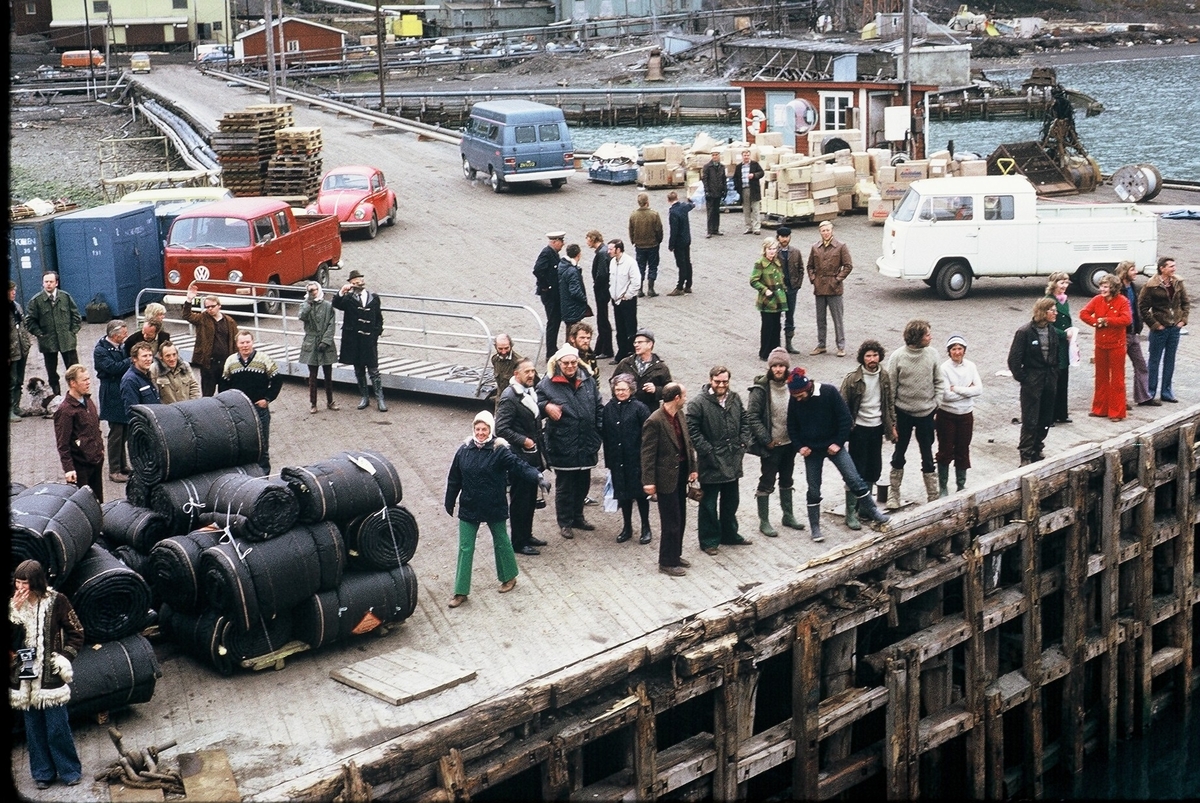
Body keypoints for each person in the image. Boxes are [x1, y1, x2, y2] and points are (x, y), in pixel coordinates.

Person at [444, 410, 551, 608]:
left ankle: (509, 577)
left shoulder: (499, 450)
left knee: (501, 541)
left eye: (484, 429)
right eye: (477, 429)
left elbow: (519, 465)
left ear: (491, 430)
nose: (481, 432)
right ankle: (460, 591)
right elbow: (454, 477)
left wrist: (538, 477)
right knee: (465, 547)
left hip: (494, 504)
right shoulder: (464, 450)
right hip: (470, 505)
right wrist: (449, 500)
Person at [786, 367, 890, 543]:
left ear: (808, 387)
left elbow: (845, 419)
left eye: (800, 395)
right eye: (795, 396)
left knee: (854, 479)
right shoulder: (795, 399)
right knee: (813, 488)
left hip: (833, 445)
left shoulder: (829, 392)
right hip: (811, 450)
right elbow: (792, 426)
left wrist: (838, 442)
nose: (798, 399)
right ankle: (815, 527)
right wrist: (800, 447)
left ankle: (873, 512)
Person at [9, 559, 85, 789]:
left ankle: (70, 771)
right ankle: (43, 773)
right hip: (25, 673)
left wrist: (64, 658)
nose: (20, 588)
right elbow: (12, 641)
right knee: (33, 728)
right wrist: (14, 613)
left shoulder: (57, 601)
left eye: (25, 583)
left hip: (50, 675)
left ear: (37, 583)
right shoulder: (12, 606)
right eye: (17, 582)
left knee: (57, 727)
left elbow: (77, 632)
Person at [537, 344, 604, 540]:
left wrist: (598, 431)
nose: (570, 366)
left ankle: (578, 517)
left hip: (586, 441)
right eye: (566, 363)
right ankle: (565, 522)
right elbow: (535, 405)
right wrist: (546, 406)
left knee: (583, 482)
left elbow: (598, 405)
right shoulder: (547, 384)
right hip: (562, 442)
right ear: (558, 363)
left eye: (573, 362)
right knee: (565, 485)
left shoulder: (588, 380)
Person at [686, 366, 753, 555]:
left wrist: (743, 443)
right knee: (708, 503)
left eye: (725, 381)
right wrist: (708, 451)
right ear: (710, 380)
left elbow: (745, 420)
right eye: (717, 382)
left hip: (733, 458)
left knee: (731, 500)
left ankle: (730, 534)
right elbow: (692, 431)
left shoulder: (735, 398)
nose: (721, 385)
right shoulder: (698, 403)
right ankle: (708, 541)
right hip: (711, 461)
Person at [885, 319, 945, 507]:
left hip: (926, 414)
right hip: (903, 413)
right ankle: (893, 494)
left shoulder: (933, 354)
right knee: (899, 453)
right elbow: (890, 388)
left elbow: (939, 381)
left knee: (927, 455)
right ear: (917, 337)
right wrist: (892, 418)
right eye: (927, 334)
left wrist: (937, 402)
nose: (931, 337)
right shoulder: (897, 357)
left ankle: (933, 495)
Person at [641, 382, 698, 576]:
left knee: (680, 517)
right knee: (671, 520)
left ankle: (676, 554)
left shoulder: (679, 414)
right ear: (676, 398)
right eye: (684, 395)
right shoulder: (655, 421)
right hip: (665, 478)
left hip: (681, 472)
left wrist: (692, 467)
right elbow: (647, 454)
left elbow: (687, 443)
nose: (685, 398)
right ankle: (666, 561)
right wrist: (648, 481)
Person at [495, 358, 550, 556]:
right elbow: (500, 428)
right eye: (527, 372)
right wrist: (523, 440)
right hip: (519, 458)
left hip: (532, 457)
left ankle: (527, 535)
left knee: (529, 499)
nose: (531, 375)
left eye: (533, 371)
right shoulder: (510, 397)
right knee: (520, 501)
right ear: (516, 374)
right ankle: (518, 542)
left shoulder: (529, 392)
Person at [839, 340, 896, 530]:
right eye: (868, 356)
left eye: (875, 355)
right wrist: (843, 432)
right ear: (862, 358)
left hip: (877, 428)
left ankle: (866, 508)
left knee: (873, 469)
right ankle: (850, 512)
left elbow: (889, 404)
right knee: (855, 471)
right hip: (858, 429)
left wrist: (892, 426)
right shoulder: (852, 379)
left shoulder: (885, 376)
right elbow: (842, 407)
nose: (872, 359)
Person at [747, 347, 805, 536]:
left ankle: (787, 515)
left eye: (781, 366)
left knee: (787, 479)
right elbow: (752, 417)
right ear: (770, 368)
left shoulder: (792, 385)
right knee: (767, 481)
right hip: (772, 445)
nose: (778, 369)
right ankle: (764, 521)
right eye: (775, 366)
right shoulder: (761, 388)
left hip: (790, 444)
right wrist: (766, 439)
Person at [1008, 298, 1061, 466]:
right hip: (1033, 379)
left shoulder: (1052, 331)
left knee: (1046, 417)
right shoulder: (1025, 332)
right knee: (1030, 419)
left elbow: (1057, 355)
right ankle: (1025, 453)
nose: (1055, 313)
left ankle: (1038, 447)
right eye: (1052, 310)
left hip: (1049, 378)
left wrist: (1054, 373)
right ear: (1043, 312)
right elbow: (1014, 359)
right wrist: (1024, 379)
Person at [220, 331, 282, 474]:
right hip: (239, 412)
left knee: (262, 446)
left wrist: (267, 399)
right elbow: (224, 384)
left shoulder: (264, 359)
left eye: (247, 342)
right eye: (242, 343)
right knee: (242, 445)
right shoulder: (230, 361)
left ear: (252, 342)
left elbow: (277, 380)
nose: (245, 345)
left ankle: (264, 476)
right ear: (237, 344)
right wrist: (228, 404)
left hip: (259, 410)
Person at [602, 373, 653, 544]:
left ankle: (646, 527)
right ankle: (627, 527)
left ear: (631, 390)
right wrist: (609, 461)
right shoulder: (609, 408)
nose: (621, 392)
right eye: (617, 389)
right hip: (618, 460)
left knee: (640, 495)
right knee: (623, 495)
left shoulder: (640, 408)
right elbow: (606, 436)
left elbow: (648, 436)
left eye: (624, 389)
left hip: (636, 460)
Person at [1078, 274, 1133, 422]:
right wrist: (1095, 322)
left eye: (1106, 286)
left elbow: (1127, 319)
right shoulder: (1097, 300)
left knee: (1117, 379)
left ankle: (1117, 412)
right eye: (1101, 286)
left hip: (1117, 345)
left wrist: (1107, 321)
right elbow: (1083, 314)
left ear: (1113, 288)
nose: (1102, 289)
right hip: (1101, 345)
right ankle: (1100, 409)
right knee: (1100, 377)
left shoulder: (1123, 301)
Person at [332, 269, 387, 412]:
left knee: (374, 369)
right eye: (354, 283)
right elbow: (336, 304)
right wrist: (341, 292)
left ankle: (380, 398)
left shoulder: (373, 298)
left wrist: (376, 332)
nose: (357, 284)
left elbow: (379, 317)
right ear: (350, 284)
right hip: (354, 340)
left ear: (363, 282)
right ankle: (364, 397)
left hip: (369, 339)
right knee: (359, 369)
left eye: (359, 281)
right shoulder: (348, 299)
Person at [935, 334, 982, 496]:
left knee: (963, 449)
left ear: (964, 350)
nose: (957, 352)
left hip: (965, 414)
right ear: (949, 351)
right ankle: (943, 487)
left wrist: (957, 389)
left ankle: (961, 485)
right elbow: (946, 395)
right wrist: (968, 390)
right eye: (954, 349)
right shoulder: (943, 369)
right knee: (945, 450)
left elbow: (979, 390)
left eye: (960, 349)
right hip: (946, 414)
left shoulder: (971, 366)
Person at [1138, 255, 1189, 403]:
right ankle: (1151, 392)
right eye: (1171, 266)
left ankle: (1166, 391)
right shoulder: (1151, 285)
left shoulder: (1178, 282)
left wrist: (1183, 320)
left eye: (1174, 266)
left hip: (1174, 328)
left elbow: (1185, 302)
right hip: (1160, 329)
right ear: (1162, 268)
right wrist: (1155, 324)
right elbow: (1143, 307)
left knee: (1170, 360)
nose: (1174, 268)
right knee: (1154, 360)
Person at [24, 271, 81, 398]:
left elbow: (76, 316)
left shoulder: (65, 297)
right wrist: (39, 334)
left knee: (74, 371)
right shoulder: (36, 301)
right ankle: (57, 398)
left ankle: (77, 396)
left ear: (56, 283)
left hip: (67, 341)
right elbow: (29, 321)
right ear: (43, 283)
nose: (48, 284)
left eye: (51, 282)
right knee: (52, 373)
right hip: (48, 342)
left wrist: (73, 331)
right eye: (46, 282)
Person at [52, 364, 105, 501]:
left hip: (95, 461)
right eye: (84, 380)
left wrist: (100, 449)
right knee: (83, 503)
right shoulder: (65, 411)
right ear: (73, 383)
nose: (88, 382)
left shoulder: (88, 401)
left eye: (88, 379)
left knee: (98, 500)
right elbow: (62, 443)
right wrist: (69, 468)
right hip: (80, 466)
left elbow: (95, 428)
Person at [806, 220, 853, 357]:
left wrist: (837, 279)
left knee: (837, 318)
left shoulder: (840, 246)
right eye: (823, 231)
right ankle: (821, 345)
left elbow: (848, 265)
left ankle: (841, 346)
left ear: (832, 231)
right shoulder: (815, 247)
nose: (826, 233)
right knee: (820, 318)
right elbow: (810, 266)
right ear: (820, 232)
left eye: (828, 230)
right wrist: (813, 279)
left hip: (834, 288)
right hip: (819, 287)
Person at [93, 320, 131, 482]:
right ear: (114, 335)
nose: (126, 335)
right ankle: (114, 469)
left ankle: (123, 465)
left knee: (124, 431)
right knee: (116, 433)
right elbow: (113, 368)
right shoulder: (101, 350)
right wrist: (131, 360)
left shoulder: (120, 346)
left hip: (121, 390)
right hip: (111, 392)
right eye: (123, 333)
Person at [182, 290, 239, 397]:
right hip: (209, 364)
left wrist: (236, 360)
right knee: (207, 395)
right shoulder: (202, 318)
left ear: (219, 306)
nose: (210, 309)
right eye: (207, 307)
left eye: (212, 306)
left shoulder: (229, 321)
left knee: (226, 394)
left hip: (225, 364)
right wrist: (189, 300)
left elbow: (235, 341)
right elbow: (187, 315)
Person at [298, 281, 339, 415]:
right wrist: (308, 303)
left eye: (315, 290)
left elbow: (331, 325)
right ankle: (313, 403)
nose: (313, 292)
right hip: (311, 342)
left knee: (328, 375)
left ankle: (330, 401)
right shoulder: (305, 305)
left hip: (325, 343)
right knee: (313, 376)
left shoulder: (328, 306)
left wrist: (326, 341)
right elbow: (302, 316)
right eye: (310, 290)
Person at [1118, 261, 1155, 407]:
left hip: (1133, 332)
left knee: (1141, 365)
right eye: (1132, 270)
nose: (1136, 272)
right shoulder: (1119, 289)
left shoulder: (1132, 287)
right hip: (1122, 333)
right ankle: (1119, 399)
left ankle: (1143, 397)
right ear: (1125, 272)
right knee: (1119, 368)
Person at [614, 328, 671, 412]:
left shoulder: (661, 367)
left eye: (640, 342)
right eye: (635, 342)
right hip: (626, 410)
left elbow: (670, 390)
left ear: (650, 344)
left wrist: (656, 389)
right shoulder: (625, 363)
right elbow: (613, 381)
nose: (636, 345)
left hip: (649, 411)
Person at [750, 238, 788, 361]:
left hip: (778, 300)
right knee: (768, 326)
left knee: (777, 326)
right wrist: (764, 289)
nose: (772, 251)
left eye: (774, 249)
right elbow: (753, 280)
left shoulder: (777, 262)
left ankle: (776, 352)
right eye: (769, 249)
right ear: (765, 249)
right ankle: (765, 352)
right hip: (766, 301)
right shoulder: (760, 263)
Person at [1045, 272, 1074, 424]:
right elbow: (1046, 326)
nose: (1064, 286)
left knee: (1063, 379)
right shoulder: (1048, 301)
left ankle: (1062, 413)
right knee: (1052, 382)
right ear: (1053, 284)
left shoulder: (1064, 301)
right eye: (1061, 283)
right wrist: (1064, 334)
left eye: (1066, 283)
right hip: (1053, 345)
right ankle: (1049, 416)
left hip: (1064, 346)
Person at [532, 231, 566, 355]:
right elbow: (537, 270)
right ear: (554, 242)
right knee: (553, 321)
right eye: (561, 241)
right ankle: (550, 351)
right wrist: (546, 286)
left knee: (555, 321)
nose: (563, 244)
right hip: (549, 295)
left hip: (553, 294)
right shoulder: (546, 253)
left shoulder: (554, 253)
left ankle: (553, 348)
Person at [608, 238, 641, 362]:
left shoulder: (630, 262)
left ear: (618, 249)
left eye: (611, 249)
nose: (609, 251)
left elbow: (636, 281)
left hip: (627, 301)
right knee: (619, 328)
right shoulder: (612, 262)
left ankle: (632, 354)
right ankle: (621, 353)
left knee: (630, 328)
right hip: (616, 300)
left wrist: (627, 295)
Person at [628, 192, 664, 297]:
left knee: (640, 267)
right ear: (647, 202)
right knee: (653, 266)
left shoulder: (634, 215)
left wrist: (633, 241)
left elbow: (631, 230)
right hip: (652, 245)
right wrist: (659, 240)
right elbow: (659, 229)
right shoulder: (654, 214)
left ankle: (640, 290)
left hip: (639, 245)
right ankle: (651, 289)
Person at [776, 227, 805, 354]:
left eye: (787, 237)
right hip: (778, 290)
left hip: (792, 289)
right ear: (778, 238)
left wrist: (797, 285)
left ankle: (789, 343)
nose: (784, 239)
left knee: (790, 316)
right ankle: (776, 344)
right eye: (782, 237)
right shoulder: (774, 252)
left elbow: (801, 269)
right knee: (776, 316)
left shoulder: (795, 252)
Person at [586, 230, 614, 358]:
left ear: (592, 239)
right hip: (603, 289)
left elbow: (602, 274)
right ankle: (600, 347)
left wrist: (596, 285)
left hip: (602, 290)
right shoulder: (602, 251)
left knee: (602, 319)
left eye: (587, 238)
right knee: (601, 318)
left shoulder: (602, 253)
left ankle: (606, 349)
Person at [120, 341, 162, 426]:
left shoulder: (147, 374)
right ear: (134, 358)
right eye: (144, 356)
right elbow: (132, 411)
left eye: (150, 355)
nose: (148, 359)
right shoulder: (130, 380)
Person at [10, 282, 34, 423]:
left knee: (18, 380)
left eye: (14, 290)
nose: (13, 293)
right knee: (11, 382)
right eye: (11, 291)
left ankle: (16, 406)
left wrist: (26, 343)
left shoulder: (16, 306)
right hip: (11, 352)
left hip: (21, 349)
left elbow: (22, 325)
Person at [665, 190, 694, 296]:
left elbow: (674, 231)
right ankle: (689, 285)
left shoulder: (673, 212)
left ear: (668, 200)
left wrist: (671, 244)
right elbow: (691, 205)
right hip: (687, 238)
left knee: (681, 264)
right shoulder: (683, 207)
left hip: (679, 242)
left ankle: (680, 286)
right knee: (687, 261)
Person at [558, 243, 591, 329]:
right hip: (573, 308)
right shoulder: (572, 271)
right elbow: (575, 291)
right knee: (573, 334)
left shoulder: (563, 266)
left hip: (567, 307)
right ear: (579, 254)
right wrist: (584, 299)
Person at [732, 149, 764, 235]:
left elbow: (761, 173)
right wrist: (737, 188)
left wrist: (754, 175)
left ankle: (756, 228)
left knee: (756, 209)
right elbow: (735, 178)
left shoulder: (755, 164)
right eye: (744, 155)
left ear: (750, 156)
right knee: (746, 209)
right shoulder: (739, 167)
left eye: (747, 155)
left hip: (754, 190)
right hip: (744, 190)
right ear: (742, 156)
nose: (746, 157)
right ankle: (748, 227)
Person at [490, 333, 524, 411]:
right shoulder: (495, 360)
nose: (504, 352)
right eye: (500, 349)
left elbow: (533, 383)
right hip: (500, 402)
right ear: (495, 347)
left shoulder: (519, 363)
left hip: (515, 404)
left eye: (506, 348)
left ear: (511, 346)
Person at [700, 150, 727, 237]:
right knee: (710, 212)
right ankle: (709, 230)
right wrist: (706, 191)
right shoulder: (707, 167)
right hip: (711, 192)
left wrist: (725, 190)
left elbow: (724, 179)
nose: (715, 157)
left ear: (719, 156)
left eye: (716, 155)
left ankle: (716, 229)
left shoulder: (722, 167)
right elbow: (705, 180)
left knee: (716, 211)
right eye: (713, 155)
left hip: (718, 192)